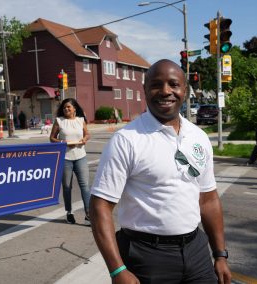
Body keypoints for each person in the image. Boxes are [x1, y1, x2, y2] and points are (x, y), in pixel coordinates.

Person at [90, 59, 231, 284]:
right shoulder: (127, 140)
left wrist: (220, 254)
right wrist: (117, 270)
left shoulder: (199, 137)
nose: (166, 91)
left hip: (196, 250)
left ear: (185, 90)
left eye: (173, 84)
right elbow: (100, 207)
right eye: (156, 84)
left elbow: (208, 199)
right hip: (146, 255)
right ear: (145, 90)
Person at [49, 98, 91, 225]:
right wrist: (63, 142)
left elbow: (87, 134)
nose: (66, 109)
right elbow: (51, 138)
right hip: (65, 158)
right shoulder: (59, 121)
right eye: (64, 107)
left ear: (74, 108)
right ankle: (69, 212)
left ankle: (88, 214)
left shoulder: (80, 120)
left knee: (85, 186)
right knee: (67, 187)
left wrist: (84, 139)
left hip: (80, 156)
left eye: (68, 107)